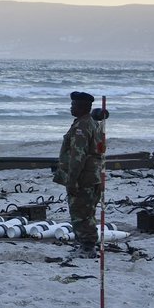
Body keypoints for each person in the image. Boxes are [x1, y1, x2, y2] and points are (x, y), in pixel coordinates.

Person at [54, 91, 105, 257]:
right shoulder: (91, 123)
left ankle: (87, 247)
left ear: (82, 107)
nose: (71, 107)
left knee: (80, 213)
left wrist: (72, 180)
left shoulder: (82, 127)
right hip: (93, 176)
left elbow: (78, 156)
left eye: (73, 105)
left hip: (83, 178)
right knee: (88, 212)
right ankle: (85, 244)